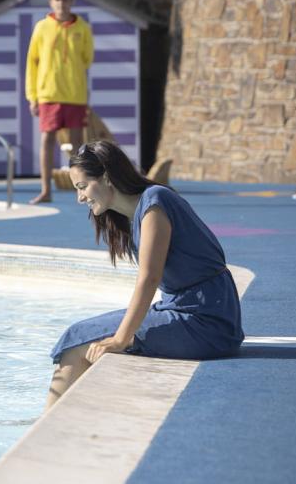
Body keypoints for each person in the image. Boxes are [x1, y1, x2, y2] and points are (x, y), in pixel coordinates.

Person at [45, 140, 244, 409]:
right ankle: (56, 418)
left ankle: (49, 422)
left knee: (78, 342)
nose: (80, 197)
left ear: (106, 177)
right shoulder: (134, 213)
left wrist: (120, 339)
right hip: (187, 310)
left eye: (82, 187)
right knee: (78, 334)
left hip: (206, 321)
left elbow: (150, 278)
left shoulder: (155, 203)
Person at [25, 0, 94, 205]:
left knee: (76, 144)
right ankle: (46, 190)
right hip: (48, 94)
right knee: (47, 140)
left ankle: (80, 190)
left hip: (75, 94)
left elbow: (87, 58)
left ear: (71, 2)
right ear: (51, 3)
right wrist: (32, 96)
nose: (61, 4)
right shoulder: (42, 27)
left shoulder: (82, 28)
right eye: (57, 0)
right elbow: (32, 63)